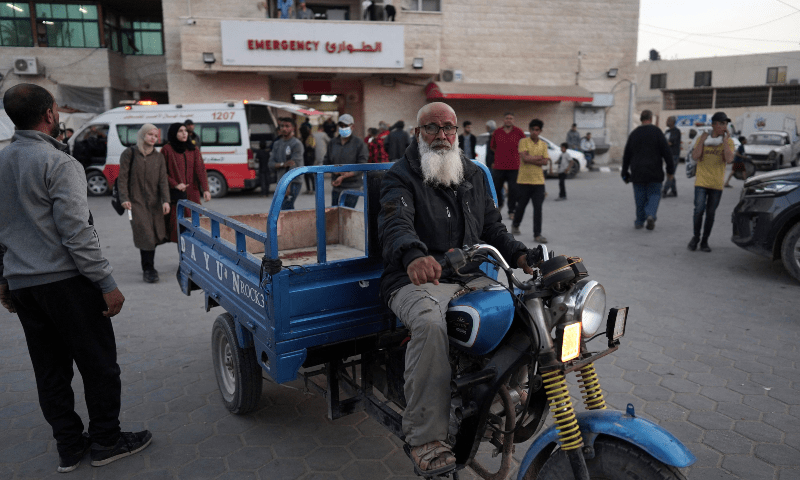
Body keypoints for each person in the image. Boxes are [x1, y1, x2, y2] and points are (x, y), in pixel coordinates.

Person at [0, 83, 151, 474]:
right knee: (99, 365)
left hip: (24, 287)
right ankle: (106, 441)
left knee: (50, 370)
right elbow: (76, 232)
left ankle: (69, 447)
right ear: (50, 114)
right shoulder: (59, 163)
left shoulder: (2, 162)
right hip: (67, 283)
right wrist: (106, 283)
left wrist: (4, 277)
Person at [378, 102, 534, 477]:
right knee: (431, 325)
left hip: (465, 275)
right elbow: (396, 222)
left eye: (448, 128)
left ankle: (508, 390)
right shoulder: (400, 176)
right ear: (418, 134)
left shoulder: (473, 175)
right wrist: (414, 255)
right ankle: (425, 437)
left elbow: (492, 228)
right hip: (414, 278)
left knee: (523, 307)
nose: (442, 136)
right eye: (432, 128)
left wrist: (521, 255)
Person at [118, 124, 171, 283]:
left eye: (156, 135)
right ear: (142, 135)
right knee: (145, 234)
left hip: (154, 203)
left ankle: (149, 266)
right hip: (135, 202)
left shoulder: (159, 157)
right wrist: (124, 198)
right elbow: (123, 178)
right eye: (150, 134)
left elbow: (163, 181)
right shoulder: (129, 153)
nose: (153, 138)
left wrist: (166, 200)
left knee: (155, 234)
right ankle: (148, 269)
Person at [688, 112, 735, 252]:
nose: (724, 126)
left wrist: (726, 141)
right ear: (714, 124)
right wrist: (702, 140)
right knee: (698, 211)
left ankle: (704, 241)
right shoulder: (703, 138)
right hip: (701, 182)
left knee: (711, 214)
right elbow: (695, 156)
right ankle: (695, 237)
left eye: (725, 124)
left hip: (716, 184)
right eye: (721, 123)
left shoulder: (729, 142)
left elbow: (729, 159)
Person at [621, 110, 674, 231]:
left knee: (640, 197)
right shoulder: (657, 132)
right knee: (654, 195)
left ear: (641, 119)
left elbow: (626, 155)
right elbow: (667, 152)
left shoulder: (634, 134)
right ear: (651, 118)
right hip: (654, 171)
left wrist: (624, 173)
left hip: (637, 172)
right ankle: (650, 214)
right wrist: (670, 170)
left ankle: (639, 221)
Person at [163, 123, 211, 243]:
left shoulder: (193, 149)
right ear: (174, 133)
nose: (184, 133)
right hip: (176, 194)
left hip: (192, 193)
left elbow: (200, 169)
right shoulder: (167, 150)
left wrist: (205, 189)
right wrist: (175, 184)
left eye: (185, 130)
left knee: (196, 225)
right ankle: (183, 259)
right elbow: (162, 172)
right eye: (180, 131)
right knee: (178, 228)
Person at [513, 119, 549, 243]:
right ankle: (516, 224)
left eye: (537, 130)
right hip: (524, 181)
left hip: (539, 182)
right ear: (529, 130)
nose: (534, 132)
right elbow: (525, 159)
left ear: (540, 131)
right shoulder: (523, 142)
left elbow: (545, 161)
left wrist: (531, 158)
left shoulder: (543, 145)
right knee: (521, 206)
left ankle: (537, 234)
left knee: (538, 208)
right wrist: (538, 158)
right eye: (532, 129)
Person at [323, 113, 368, 207]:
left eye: (346, 126)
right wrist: (334, 171)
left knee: (347, 215)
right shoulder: (333, 142)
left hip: (352, 186)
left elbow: (362, 165)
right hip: (336, 186)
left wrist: (344, 176)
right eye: (341, 126)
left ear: (352, 127)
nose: (343, 128)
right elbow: (326, 161)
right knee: (335, 214)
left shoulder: (359, 143)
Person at [489, 112, 526, 220]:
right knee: (496, 189)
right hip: (499, 166)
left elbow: (523, 146)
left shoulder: (519, 132)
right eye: (507, 118)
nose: (509, 120)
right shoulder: (497, 132)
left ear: (513, 120)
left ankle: (511, 211)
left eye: (511, 118)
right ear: (504, 120)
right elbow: (493, 147)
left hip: (514, 166)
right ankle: (499, 205)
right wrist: (502, 154)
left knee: (514, 190)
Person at [269, 117, 305, 209]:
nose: (284, 128)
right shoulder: (277, 144)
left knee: (287, 207)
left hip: (293, 182)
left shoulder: (296, 144)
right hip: (281, 180)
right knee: (280, 209)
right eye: (282, 126)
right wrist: (283, 164)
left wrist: (287, 186)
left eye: (287, 126)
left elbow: (293, 166)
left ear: (293, 128)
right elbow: (270, 164)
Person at [663, 116, 681, 197]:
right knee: (670, 173)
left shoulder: (676, 131)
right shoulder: (667, 131)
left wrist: (665, 142)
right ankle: (674, 191)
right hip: (667, 155)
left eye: (668, 120)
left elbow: (671, 142)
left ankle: (664, 191)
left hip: (674, 155)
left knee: (670, 173)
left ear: (673, 122)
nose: (667, 122)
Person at [299, 124, 316, 193]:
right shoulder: (302, 138)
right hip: (306, 157)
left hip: (309, 157)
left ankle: (313, 188)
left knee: (310, 173)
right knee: (306, 173)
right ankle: (309, 189)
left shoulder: (310, 137)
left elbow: (312, 147)